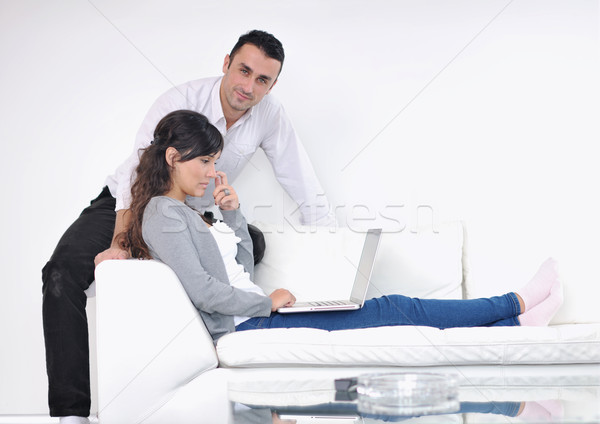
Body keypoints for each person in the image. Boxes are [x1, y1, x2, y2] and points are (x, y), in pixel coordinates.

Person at [42, 30, 333, 422]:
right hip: (129, 202)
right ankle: (71, 413)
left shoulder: (270, 114)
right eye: (243, 71)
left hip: (195, 211)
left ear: (273, 84)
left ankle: (219, 337)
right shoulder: (180, 101)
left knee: (256, 243)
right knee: (60, 274)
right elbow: (135, 175)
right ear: (226, 62)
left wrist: (335, 245)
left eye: (262, 80)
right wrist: (122, 241)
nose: (248, 86)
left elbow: (302, 181)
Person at [122, 110, 564, 346]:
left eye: (215, 161)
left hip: (255, 316)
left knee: (395, 311)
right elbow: (203, 292)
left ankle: (516, 323)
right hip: (246, 326)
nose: (212, 172)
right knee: (397, 308)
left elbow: (239, 268)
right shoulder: (162, 214)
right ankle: (515, 302)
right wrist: (265, 304)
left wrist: (234, 215)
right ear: (172, 158)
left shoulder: (194, 211)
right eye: (205, 161)